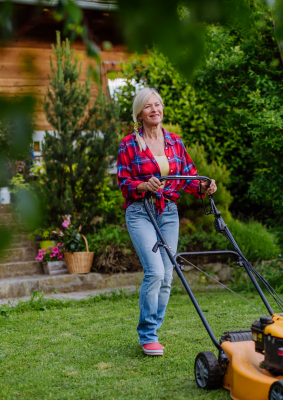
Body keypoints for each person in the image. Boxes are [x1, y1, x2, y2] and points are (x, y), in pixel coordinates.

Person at [117, 88, 217, 356]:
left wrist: (205, 186)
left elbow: (190, 176)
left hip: (168, 212)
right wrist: (142, 185)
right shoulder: (129, 144)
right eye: (148, 106)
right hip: (140, 212)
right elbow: (124, 183)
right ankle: (147, 335)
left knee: (168, 274)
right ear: (139, 112)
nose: (155, 109)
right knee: (155, 272)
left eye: (158, 105)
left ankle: (153, 332)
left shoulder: (174, 141)